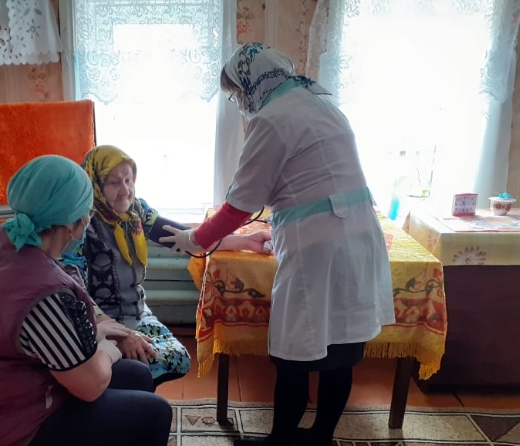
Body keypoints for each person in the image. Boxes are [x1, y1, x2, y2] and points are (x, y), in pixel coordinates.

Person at [160, 43, 395, 446]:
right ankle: (320, 437)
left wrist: (194, 240)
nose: (238, 102)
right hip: (360, 236)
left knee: (294, 355)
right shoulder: (321, 104)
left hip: (319, 248)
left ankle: (281, 441)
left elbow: (240, 205)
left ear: (250, 84)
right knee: (340, 348)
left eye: (235, 93)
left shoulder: (272, 118)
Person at [0, 155, 172, 446]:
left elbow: (27, 332)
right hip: (8, 427)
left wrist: (99, 330)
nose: (89, 219)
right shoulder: (42, 294)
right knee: (155, 413)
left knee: (137, 374)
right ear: (74, 224)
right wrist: (109, 347)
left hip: (8, 383)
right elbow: (90, 385)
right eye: (88, 211)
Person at [63, 144, 272, 386]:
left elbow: (190, 239)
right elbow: (76, 293)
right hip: (101, 322)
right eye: (114, 183)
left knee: (176, 358)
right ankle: (127, 397)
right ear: (95, 185)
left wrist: (245, 241)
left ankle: (135, 396)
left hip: (137, 313)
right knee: (141, 368)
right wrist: (117, 334)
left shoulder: (137, 211)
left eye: (128, 180)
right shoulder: (83, 225)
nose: (125, 191)